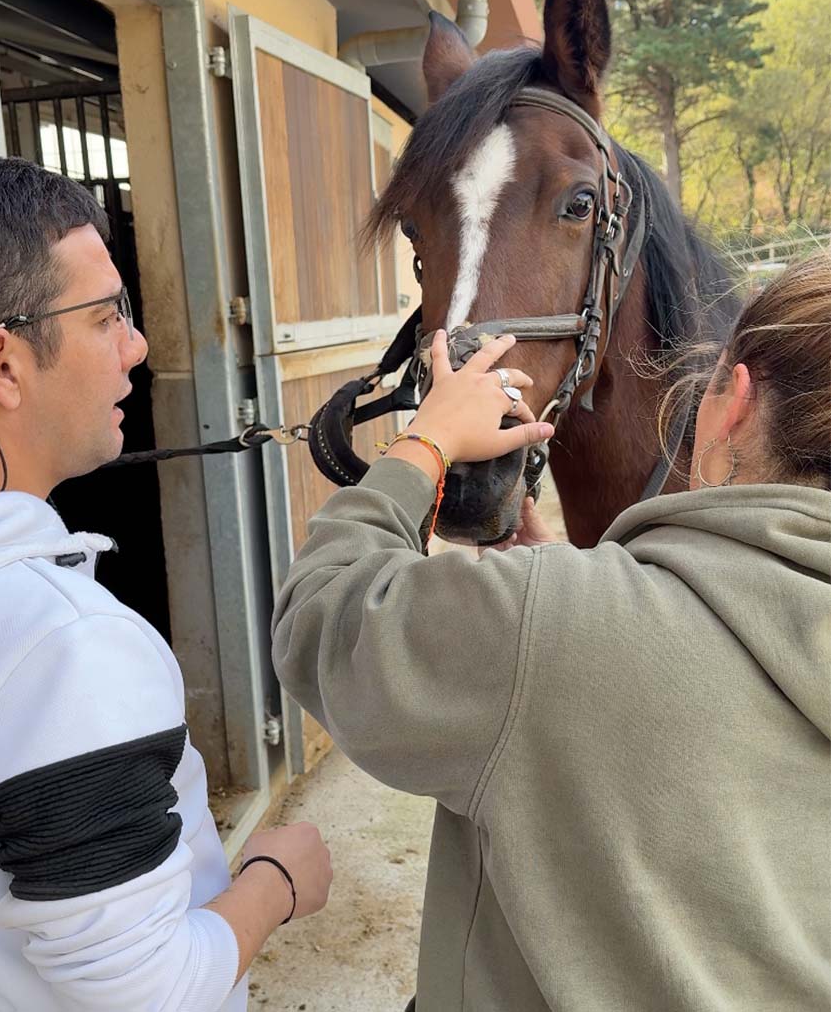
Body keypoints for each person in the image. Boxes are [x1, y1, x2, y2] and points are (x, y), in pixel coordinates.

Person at [272, 252, 831, 1011]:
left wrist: (424, 442)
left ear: (733, 402)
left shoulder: (562, 629)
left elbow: (320, 621)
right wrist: (572, 597)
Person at [0, 155, 332, 1011]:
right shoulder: (65, 647)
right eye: (106, 316)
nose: (138, 346)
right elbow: (148, 993)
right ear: (4, 363)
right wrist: (275, 883)